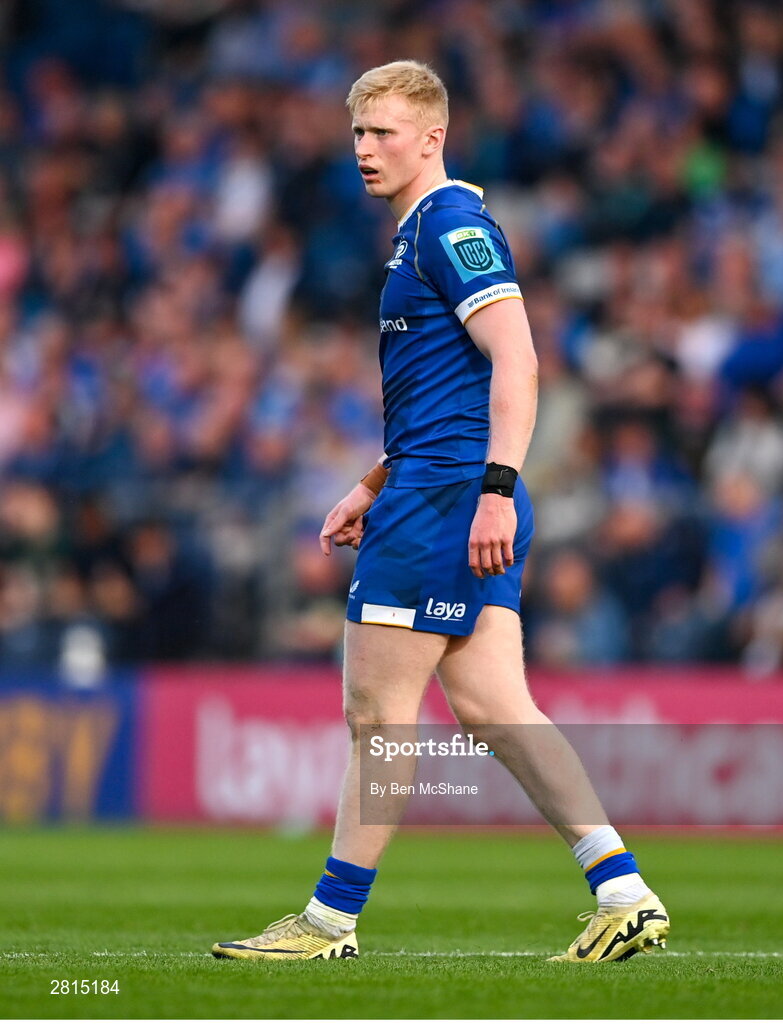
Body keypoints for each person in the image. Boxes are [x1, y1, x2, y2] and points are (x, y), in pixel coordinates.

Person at [212, 60, 669, 964]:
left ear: (431, 137)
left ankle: (328, 921)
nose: (364, 150)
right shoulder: (420, 231)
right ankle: (624, 893)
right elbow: (445, 388)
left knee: (379, 716)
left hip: (448, 499)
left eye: (383, 133)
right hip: (433, 486)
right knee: (495, 707)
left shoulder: (451, 224)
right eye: (356, 134)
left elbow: (518, 359)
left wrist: (491, 488)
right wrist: (373, 481)